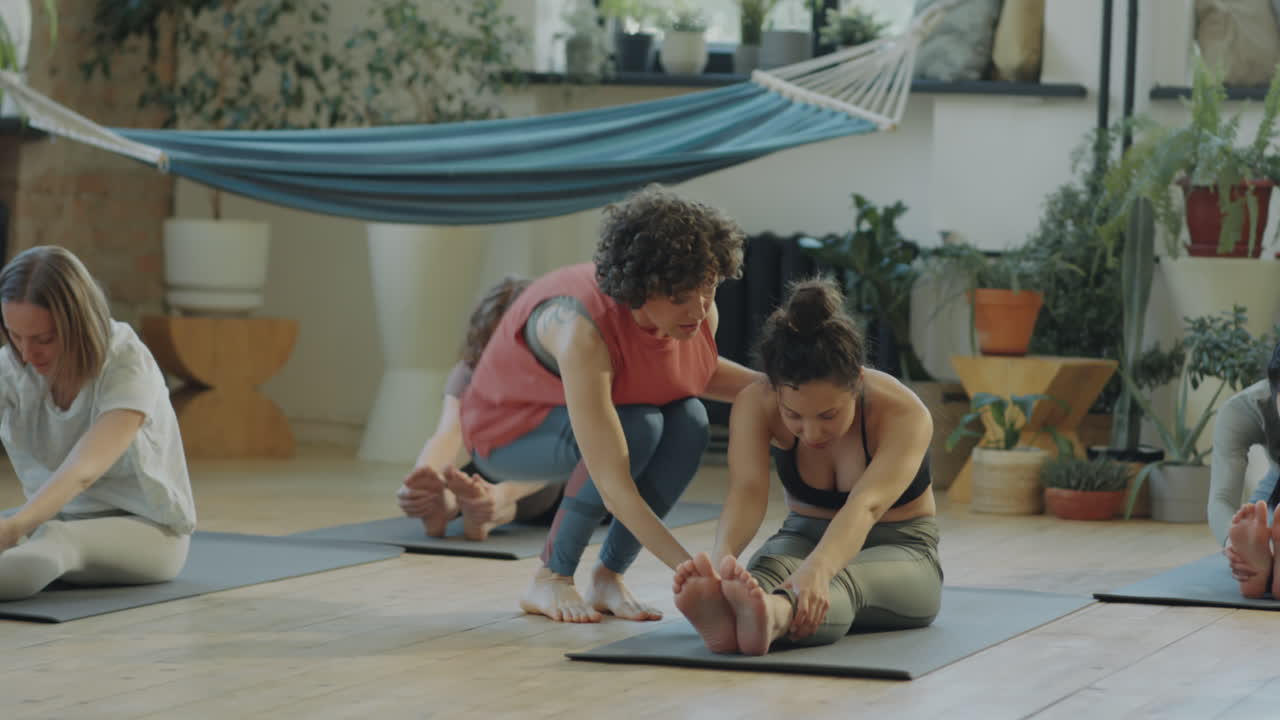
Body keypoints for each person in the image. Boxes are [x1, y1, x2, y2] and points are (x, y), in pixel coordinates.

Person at [460, 184, 760, 623]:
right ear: (640, 290)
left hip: (596, 420)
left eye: (708, 287)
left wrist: (809, 389)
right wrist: (692, 572)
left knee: (690, 420)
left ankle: (607, 577)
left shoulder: (695, 312)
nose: (698, 309)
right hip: (505, 435)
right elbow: (614, 484)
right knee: (639, 427)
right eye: (679, 297)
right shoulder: (579, 329)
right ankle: (550, 578)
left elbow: (695, 374)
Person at [672, 277, 941, 655]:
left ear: (857, 381)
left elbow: (866, 506)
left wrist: (818, 568)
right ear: (775, 389)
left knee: (835, 582)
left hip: (901, 547)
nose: (811, 432)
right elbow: (747, 490)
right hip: (801, 535)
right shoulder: (757, 400)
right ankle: (730, 612)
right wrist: (722, 558)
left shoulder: (902, 412)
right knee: (762, 572)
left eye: (829, 415)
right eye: (793, 415)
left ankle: (773, 616)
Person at [0, 245, 195, 600]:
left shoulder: (126, 361)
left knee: (57, 540)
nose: (27, 354)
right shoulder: (12, 366)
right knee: (45, 531)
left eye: (44, 339)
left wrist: (15, 527)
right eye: (15, 335)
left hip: (148, 532)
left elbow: (84, 468)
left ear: (77, 323)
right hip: (54, 519)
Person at [394, 275, 565, 541]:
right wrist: (421, 481)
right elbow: (449, 434)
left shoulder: (563, 369)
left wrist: (502, 495)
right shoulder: (471, 369)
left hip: (563, 482)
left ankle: (491, 513)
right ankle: (447, 506)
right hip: (508, 468)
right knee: (470, 477)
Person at [1216, 341, 1280, 598]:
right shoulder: (1242, 409)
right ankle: (1264, 562)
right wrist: (1234, 548)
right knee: (1255, 519)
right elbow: (1222, 498)